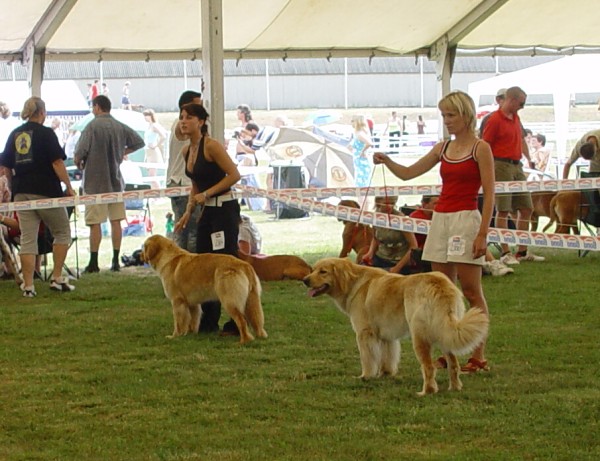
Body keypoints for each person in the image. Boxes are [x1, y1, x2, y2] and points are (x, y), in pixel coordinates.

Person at [373, 90, 494, 373]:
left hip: (466, 219)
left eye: (451, 115)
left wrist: (482, 233)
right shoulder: (442, 148)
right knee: (443, 290)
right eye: (444, 115)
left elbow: (489, 193)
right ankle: (450, 353)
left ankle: (478, 355)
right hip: (441, 220)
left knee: (471, 291)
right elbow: (408, 173)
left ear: (466, 116)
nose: (447, 121)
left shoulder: (481, 148)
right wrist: (387, 160)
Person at [173, 103, 241, 335]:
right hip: (207, 212)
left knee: (226, 262)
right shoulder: (186, 151)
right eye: (181, 117)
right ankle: (208, 321)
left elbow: (234, 175)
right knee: (202, 263)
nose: (183, 121)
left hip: (224, 210)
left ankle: (235, 321)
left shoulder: (211, 146)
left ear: (201, 122)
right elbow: (195, 185)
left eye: (189, 117)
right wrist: (187, 213)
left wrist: (208, 193)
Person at [0, 96, 76, 296]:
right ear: (42, 112)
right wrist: (68, 186)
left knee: (27, 238)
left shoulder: (14, 134)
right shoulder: (46, 133)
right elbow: (57, 163)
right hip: (45, 191)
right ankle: (57, 277)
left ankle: (28, 286)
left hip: (21, 192)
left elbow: (5, 165)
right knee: (62, 232)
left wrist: (12, 185)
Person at [74, 95, 145, 273]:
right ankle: (115, 260)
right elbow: (139, 141)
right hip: (115, 182)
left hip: (94, 184)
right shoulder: (119, 126)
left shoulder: (91, 126)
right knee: (116, 222)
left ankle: (94, 261)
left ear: (97, 107)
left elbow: (79, 152)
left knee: (95, 223)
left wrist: (80, 162)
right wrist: (122, 152)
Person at [481, 86, 544, 265]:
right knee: (503, 209)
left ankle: (522, 251)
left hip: (517, 166)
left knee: (526, 208)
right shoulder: (494, 120)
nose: (522, 107)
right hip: (500, 165)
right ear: (512, 100)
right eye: (521, 103)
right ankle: (506, 252)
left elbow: (522, 139)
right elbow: (485, 145)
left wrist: (529, 159)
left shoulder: (516, 118)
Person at [166, 90, 202, 252]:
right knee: (188, 230)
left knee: (191, 230)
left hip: (186, 184)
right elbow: (182, 134)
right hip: (182, 184)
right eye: (198, 106)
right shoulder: (181, 125)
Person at [360, 196, 418, 275]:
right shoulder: (376, 216)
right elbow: (375, 238)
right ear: (378, 203)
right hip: (380, 258)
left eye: (392, 203)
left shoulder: (400, 218)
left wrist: (397, 268)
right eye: (386, 203)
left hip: (399, 262)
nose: (390, 206)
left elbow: (414, 246)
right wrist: (370, 253)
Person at [235, 122, 266, 211]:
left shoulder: (257, 140)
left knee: (252, 182)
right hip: (245, 160)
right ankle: (251, 204)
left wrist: (241, 143)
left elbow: (251, 151)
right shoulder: (248, 140)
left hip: (248, 162)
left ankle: (257, 204)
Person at [142, 108, 167, 189]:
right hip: (148, 151)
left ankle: (158, 193)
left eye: (147, 115)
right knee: (151, 175)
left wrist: (156, 145)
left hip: (153, 151)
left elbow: (163, 136)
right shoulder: (148, 126)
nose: (145, 117)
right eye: (144, 116)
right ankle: (155, 193)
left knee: (152, 175)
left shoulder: (154, 125)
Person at [348, 114, 373, 188]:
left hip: (362, 162)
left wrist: (362, 151)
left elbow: (369, 143)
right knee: (360, 184)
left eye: (353, 121)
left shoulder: (360, 134)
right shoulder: (356, 133)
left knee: (362, 184)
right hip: (358, 161)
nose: (351, 123)